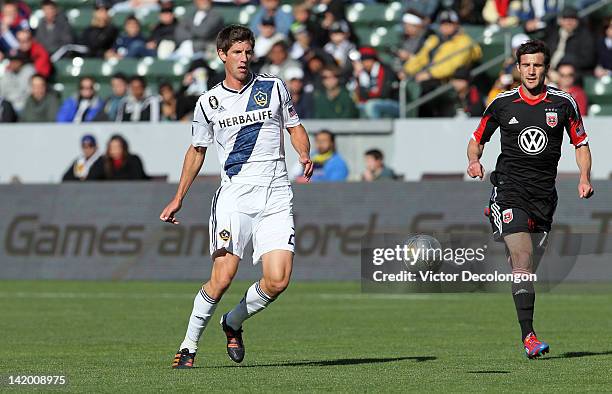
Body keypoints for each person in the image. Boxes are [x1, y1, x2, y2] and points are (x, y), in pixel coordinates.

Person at [159, 25, 313, 369]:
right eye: (237, 53)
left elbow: (295, 126)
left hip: (276, 195)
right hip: (235, 197)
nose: (244, 59)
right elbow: (197, 150)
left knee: (278, 280)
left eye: (248, 52)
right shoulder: (208, 102)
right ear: (222, 55)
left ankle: (233, 322)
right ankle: (188, 346)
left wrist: (303, 153)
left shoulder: (274, 88)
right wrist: (178, 197)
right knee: (224, 275)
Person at [466, 40, 593, 359]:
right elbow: (477, 139)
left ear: (545, 68)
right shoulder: (502, 103)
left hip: (544, 197)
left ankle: (508, 234)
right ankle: (529, 337)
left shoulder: (563, 103)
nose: (532, 70)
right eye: (526, 65)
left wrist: (584, 177)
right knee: (521, 260)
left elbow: (580, 143)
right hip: (510, 189)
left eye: (537, 65)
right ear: (518, 68)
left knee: (527, 266)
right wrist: (474, 160)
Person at [544, 6, 595, 74]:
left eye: (572, 18)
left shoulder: (585, 36)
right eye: (565, 18)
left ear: (577, 21)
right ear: (560, 20)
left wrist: (562, 63)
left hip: (572, 73)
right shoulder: (553, 33)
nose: (569, 21)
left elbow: (588, 60)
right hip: (549, 71)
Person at [353, 47, 399, 119]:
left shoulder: (386, 70)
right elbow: (361, 96)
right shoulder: (362, 74)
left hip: (393, 103)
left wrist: (368, 93)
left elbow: (385, 94)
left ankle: (376, 129)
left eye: (369, 60)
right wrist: (356, 76)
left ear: (374, 60)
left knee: (371, 105)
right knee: (356, 107)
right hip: (372, 102)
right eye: (364, 61)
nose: (366, 63)